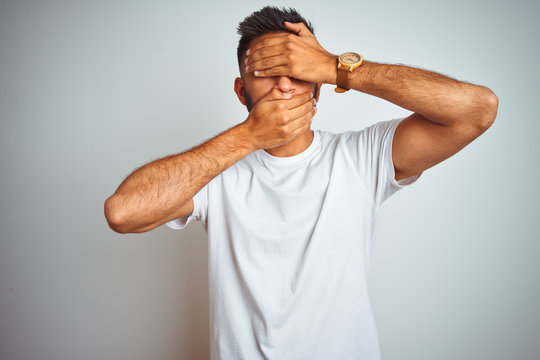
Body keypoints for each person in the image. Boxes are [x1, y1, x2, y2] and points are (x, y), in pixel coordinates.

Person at [104, 6, 498, 360]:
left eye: (298, 72)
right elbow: (123, 213)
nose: (285, 86)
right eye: (267, 74)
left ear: (318, 88)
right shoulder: (216, 171)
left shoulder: (361, 157)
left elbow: (477, 109)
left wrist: (335, 66)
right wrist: (249, 136)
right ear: (242, 91)